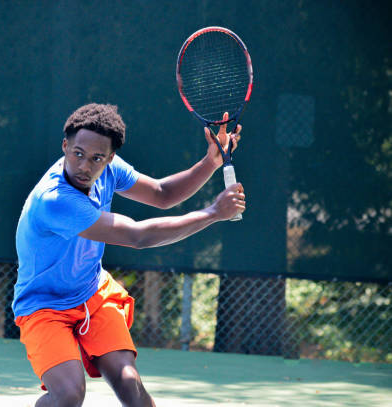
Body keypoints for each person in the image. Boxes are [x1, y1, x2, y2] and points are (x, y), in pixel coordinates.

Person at [13, 103, 245, 406]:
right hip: (44, 306)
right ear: (65, 146)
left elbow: (162, 194)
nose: (84, 166)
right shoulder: (55, 201)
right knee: (68, 394)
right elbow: (138, 236)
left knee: (130, 386)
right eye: (78, 153)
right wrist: (214, 212)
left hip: (92, 292)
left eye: (97, 158)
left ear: (110, 158)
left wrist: (210, 163)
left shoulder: (109, 169)